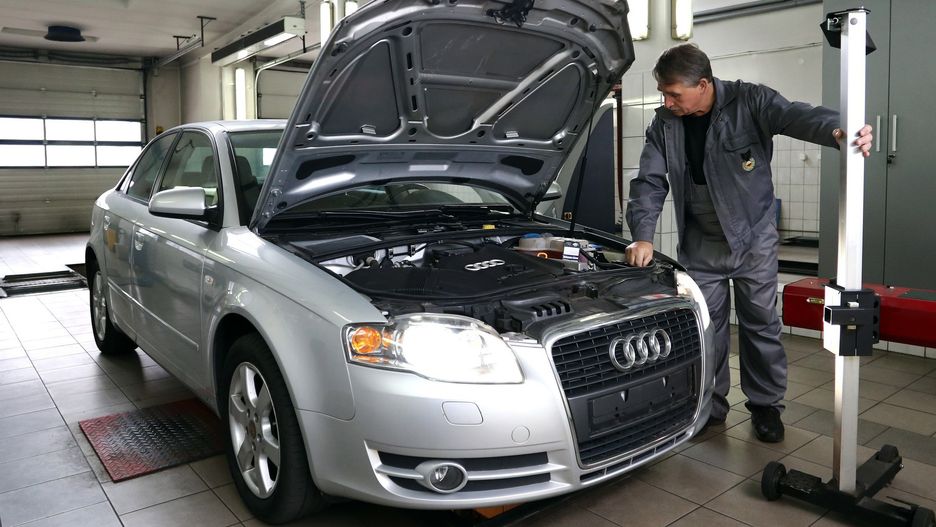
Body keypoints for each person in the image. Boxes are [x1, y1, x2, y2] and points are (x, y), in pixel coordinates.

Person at [625, 43, 872, 443]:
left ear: (703, 84)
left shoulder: (750, 101)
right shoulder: (664, 123)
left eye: (674, 94)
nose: (667, 102)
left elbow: (796, 115)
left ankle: (766, 406)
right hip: (700, 243)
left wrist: (838, 129)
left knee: (761, 324)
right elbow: (649, 181)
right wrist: (643, 236)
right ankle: (710, 406)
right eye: (663, 94)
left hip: (753, 240)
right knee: (706, 329)